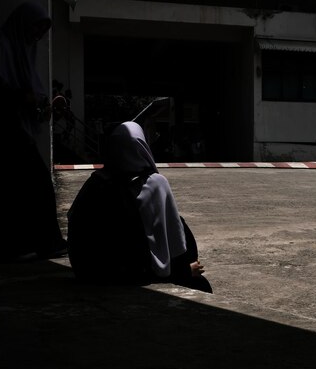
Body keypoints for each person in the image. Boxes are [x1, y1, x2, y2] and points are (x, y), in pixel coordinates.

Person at [67, 121, 211, 292]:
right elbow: (173, 237)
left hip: (91, 271)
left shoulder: (96, 182)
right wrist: (184, 271)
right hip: (133, 272)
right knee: (201, 285)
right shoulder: (154, 183)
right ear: (143, 147)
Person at [0, 2, 68, 262]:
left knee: (17, 190)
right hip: (6, 130)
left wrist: (42, 107)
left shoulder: (24, 51)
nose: (37, 35)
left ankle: (25, 243)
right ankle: (46, 242)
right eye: (36, 27)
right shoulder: (2, 46)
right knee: (37, 186)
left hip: (17, 129)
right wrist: (25, 99)